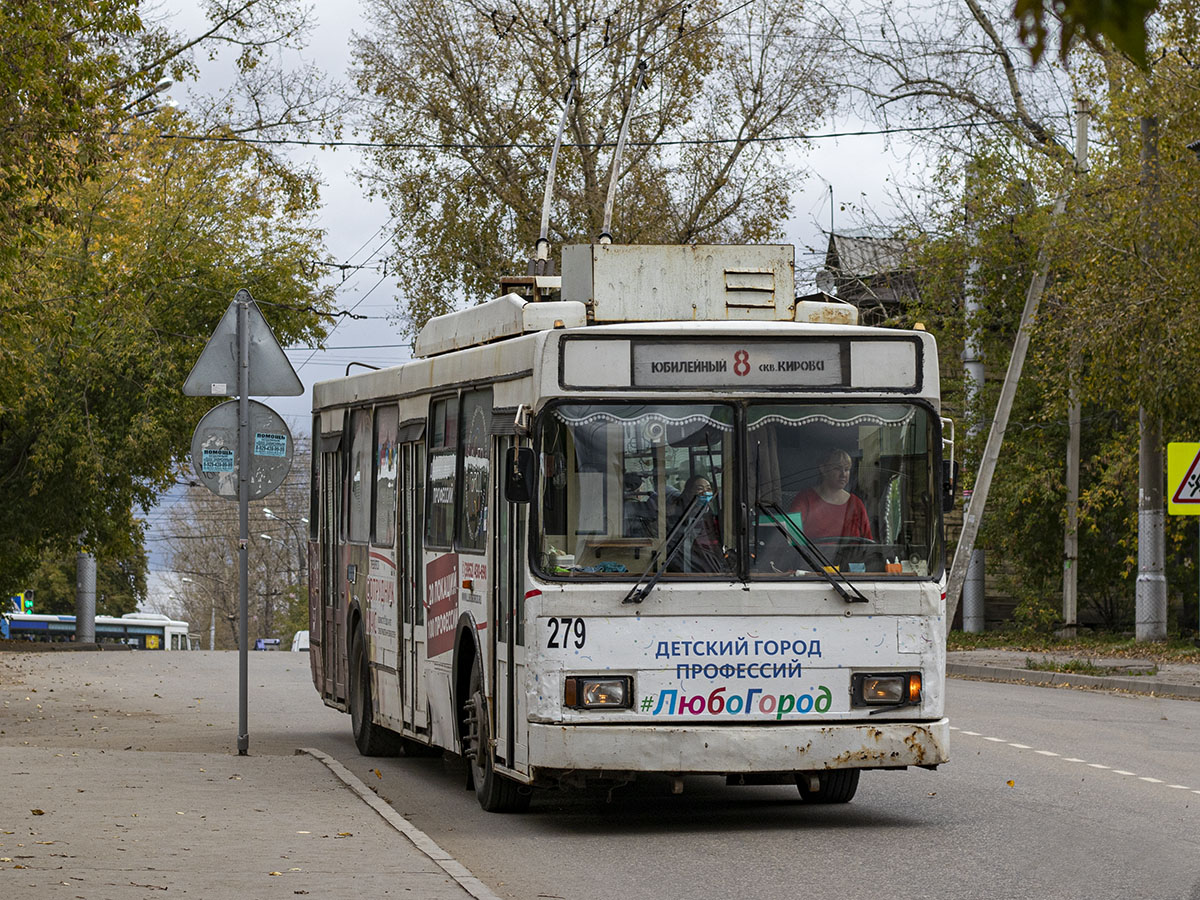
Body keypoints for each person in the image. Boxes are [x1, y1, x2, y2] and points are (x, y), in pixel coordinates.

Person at [788, 448, 873, 540]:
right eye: (837, 468)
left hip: (852, 555)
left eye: (847, 469)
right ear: (823, 469)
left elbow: (868, 545)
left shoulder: (856, 504)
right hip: (813, 555)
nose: (843, 474)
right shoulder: (805, 499)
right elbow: (790, 534)